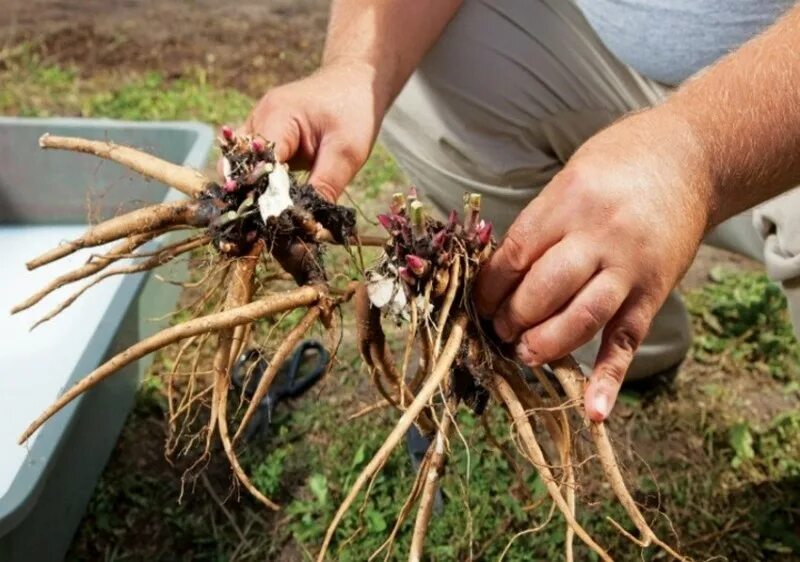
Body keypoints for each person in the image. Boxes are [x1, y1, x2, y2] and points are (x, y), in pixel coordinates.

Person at [239, 0, 800, 422]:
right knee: (419, 71)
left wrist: (693, 156)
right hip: (608, 62)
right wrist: (359, 66)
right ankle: (608, 342)